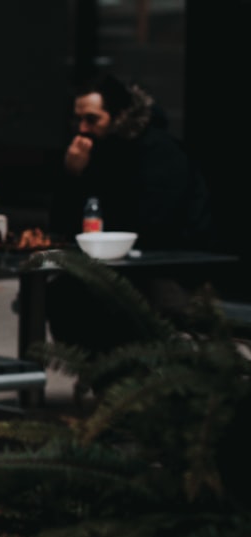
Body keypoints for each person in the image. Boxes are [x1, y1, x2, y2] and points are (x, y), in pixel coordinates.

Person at [46, 73, 214, 353]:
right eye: (77, 120)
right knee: (63, 294)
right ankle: (105, 380)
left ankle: (124, 384)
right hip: (112, 269)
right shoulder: (92, 153)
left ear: (120, 115)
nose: (82, 128)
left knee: (108, 302)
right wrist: (72, 176)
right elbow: (62, 226)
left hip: (168, 274)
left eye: (92, 119)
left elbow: (152, 224)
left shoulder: (159, 154)